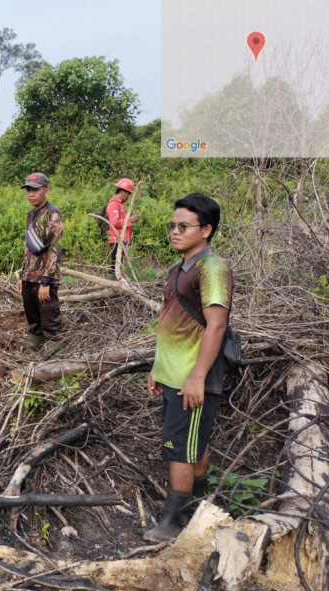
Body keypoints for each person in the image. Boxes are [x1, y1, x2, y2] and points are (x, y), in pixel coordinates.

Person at [144, 192, 233, 542]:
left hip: (192, 378)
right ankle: (200, 504)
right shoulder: (178, 268)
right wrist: (156, 368)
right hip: (173, 374)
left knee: (180, 446)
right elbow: (171, 321)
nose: (175, 232)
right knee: (190, 442)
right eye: (173, 225)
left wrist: (197, 377)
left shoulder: (212, 268)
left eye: (184, 226)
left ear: (207, 230)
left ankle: (174, 521)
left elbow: (217, 325)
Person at [15, 172, 64, 351]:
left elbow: (54, 249)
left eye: (35, 190)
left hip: (44, 278)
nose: (31, 194)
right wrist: (22, 275)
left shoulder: (53, 214)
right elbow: (29, 248)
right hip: (30, 277)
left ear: (46, 191)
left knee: (50, 321)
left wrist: (46, 280)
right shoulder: (32, 214)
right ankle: (34, 354)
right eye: (28, 190)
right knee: (33, 319)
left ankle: (56, 366)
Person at [106, 178, 141, 278]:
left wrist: (129, 219)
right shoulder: (113, 204)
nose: (128, 197)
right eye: (128, 195)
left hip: (121, 239)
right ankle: (111, 285)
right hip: (116, 239)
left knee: (118, 264)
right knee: (114, 266)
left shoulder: (119, 204)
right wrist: (130, 220)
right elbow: (114, 222)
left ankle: (116, 284)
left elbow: (120, 220)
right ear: (123, 192)